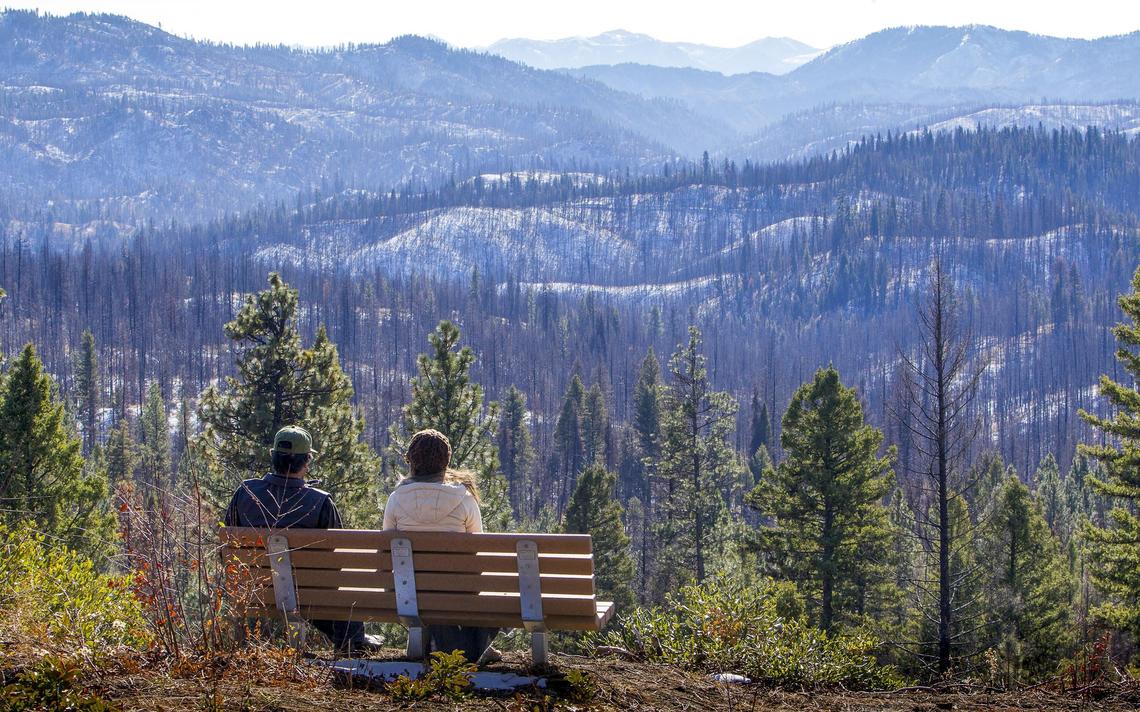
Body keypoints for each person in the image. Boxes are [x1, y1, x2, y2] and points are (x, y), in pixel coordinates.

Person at [225, 425, 381, 655]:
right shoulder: (319, 502)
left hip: (254, 591)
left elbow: (227, 545)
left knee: (301, 589)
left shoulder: (245, 492)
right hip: (308, 594)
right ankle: (352, 643)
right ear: (306, 462)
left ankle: (354, 640)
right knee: (327, 588)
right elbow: (339, 560)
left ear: (273, 457)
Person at [383, 428, 501, 665]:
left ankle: (443, 644)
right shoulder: (464, 499)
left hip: (410, 592)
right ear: (446, 462)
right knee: (501, 592)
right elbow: (478, 551)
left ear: (411, 461)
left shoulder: (396, 499)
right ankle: (470, 648)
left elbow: (387, 549)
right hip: (457, 592)